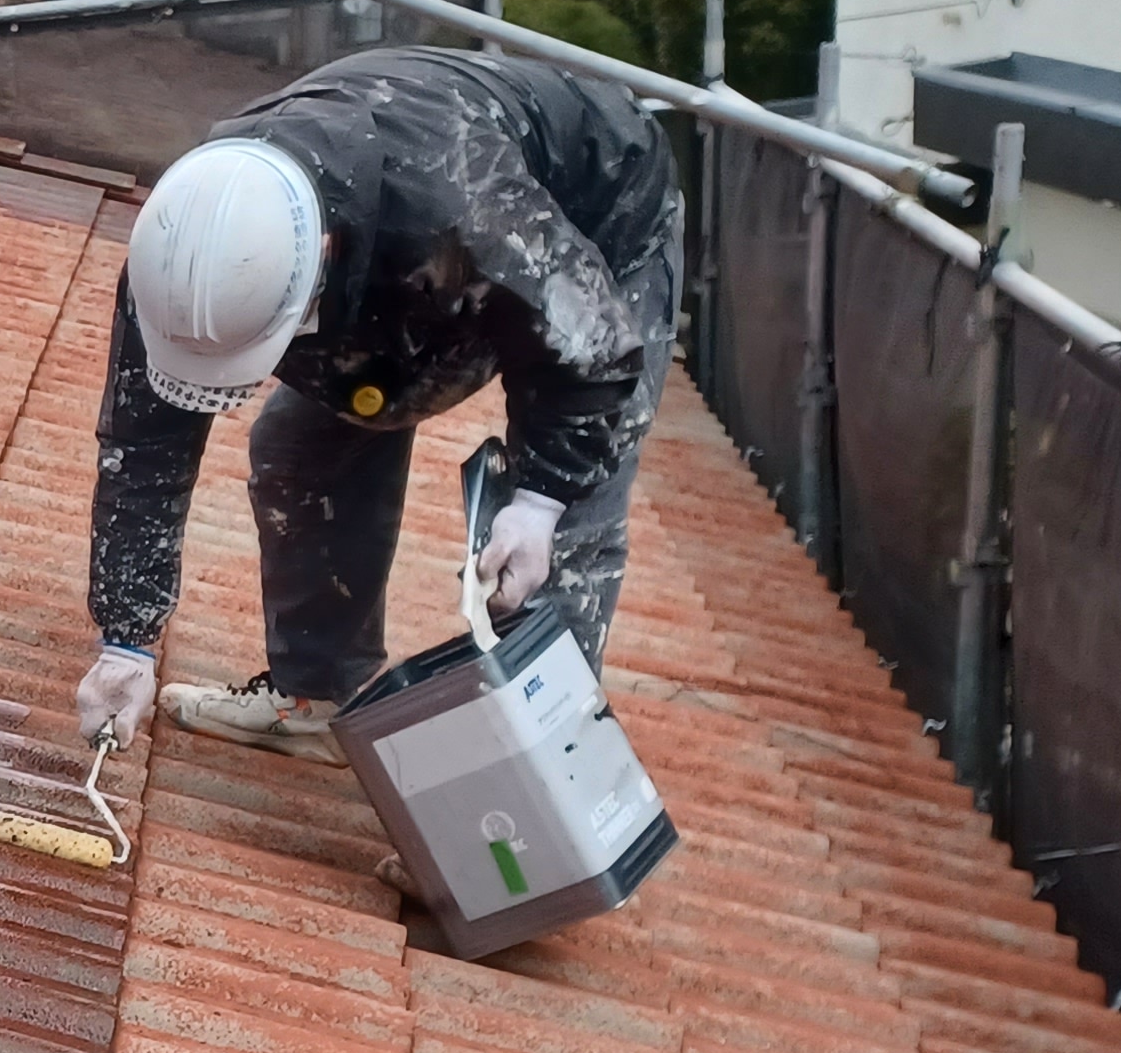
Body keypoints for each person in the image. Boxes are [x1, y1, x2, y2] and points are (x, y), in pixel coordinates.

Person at [73, 45, 686, 758]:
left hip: (598, 224)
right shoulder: (182, 250)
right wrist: (127, 641)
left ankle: (541, 789)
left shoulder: (465, 210)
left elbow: (595, 351)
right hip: (398, 241)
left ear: (318, 266)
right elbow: (143, 447)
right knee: (302, 448)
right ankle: (317, 697)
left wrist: (543, 499)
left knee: (566, 529)